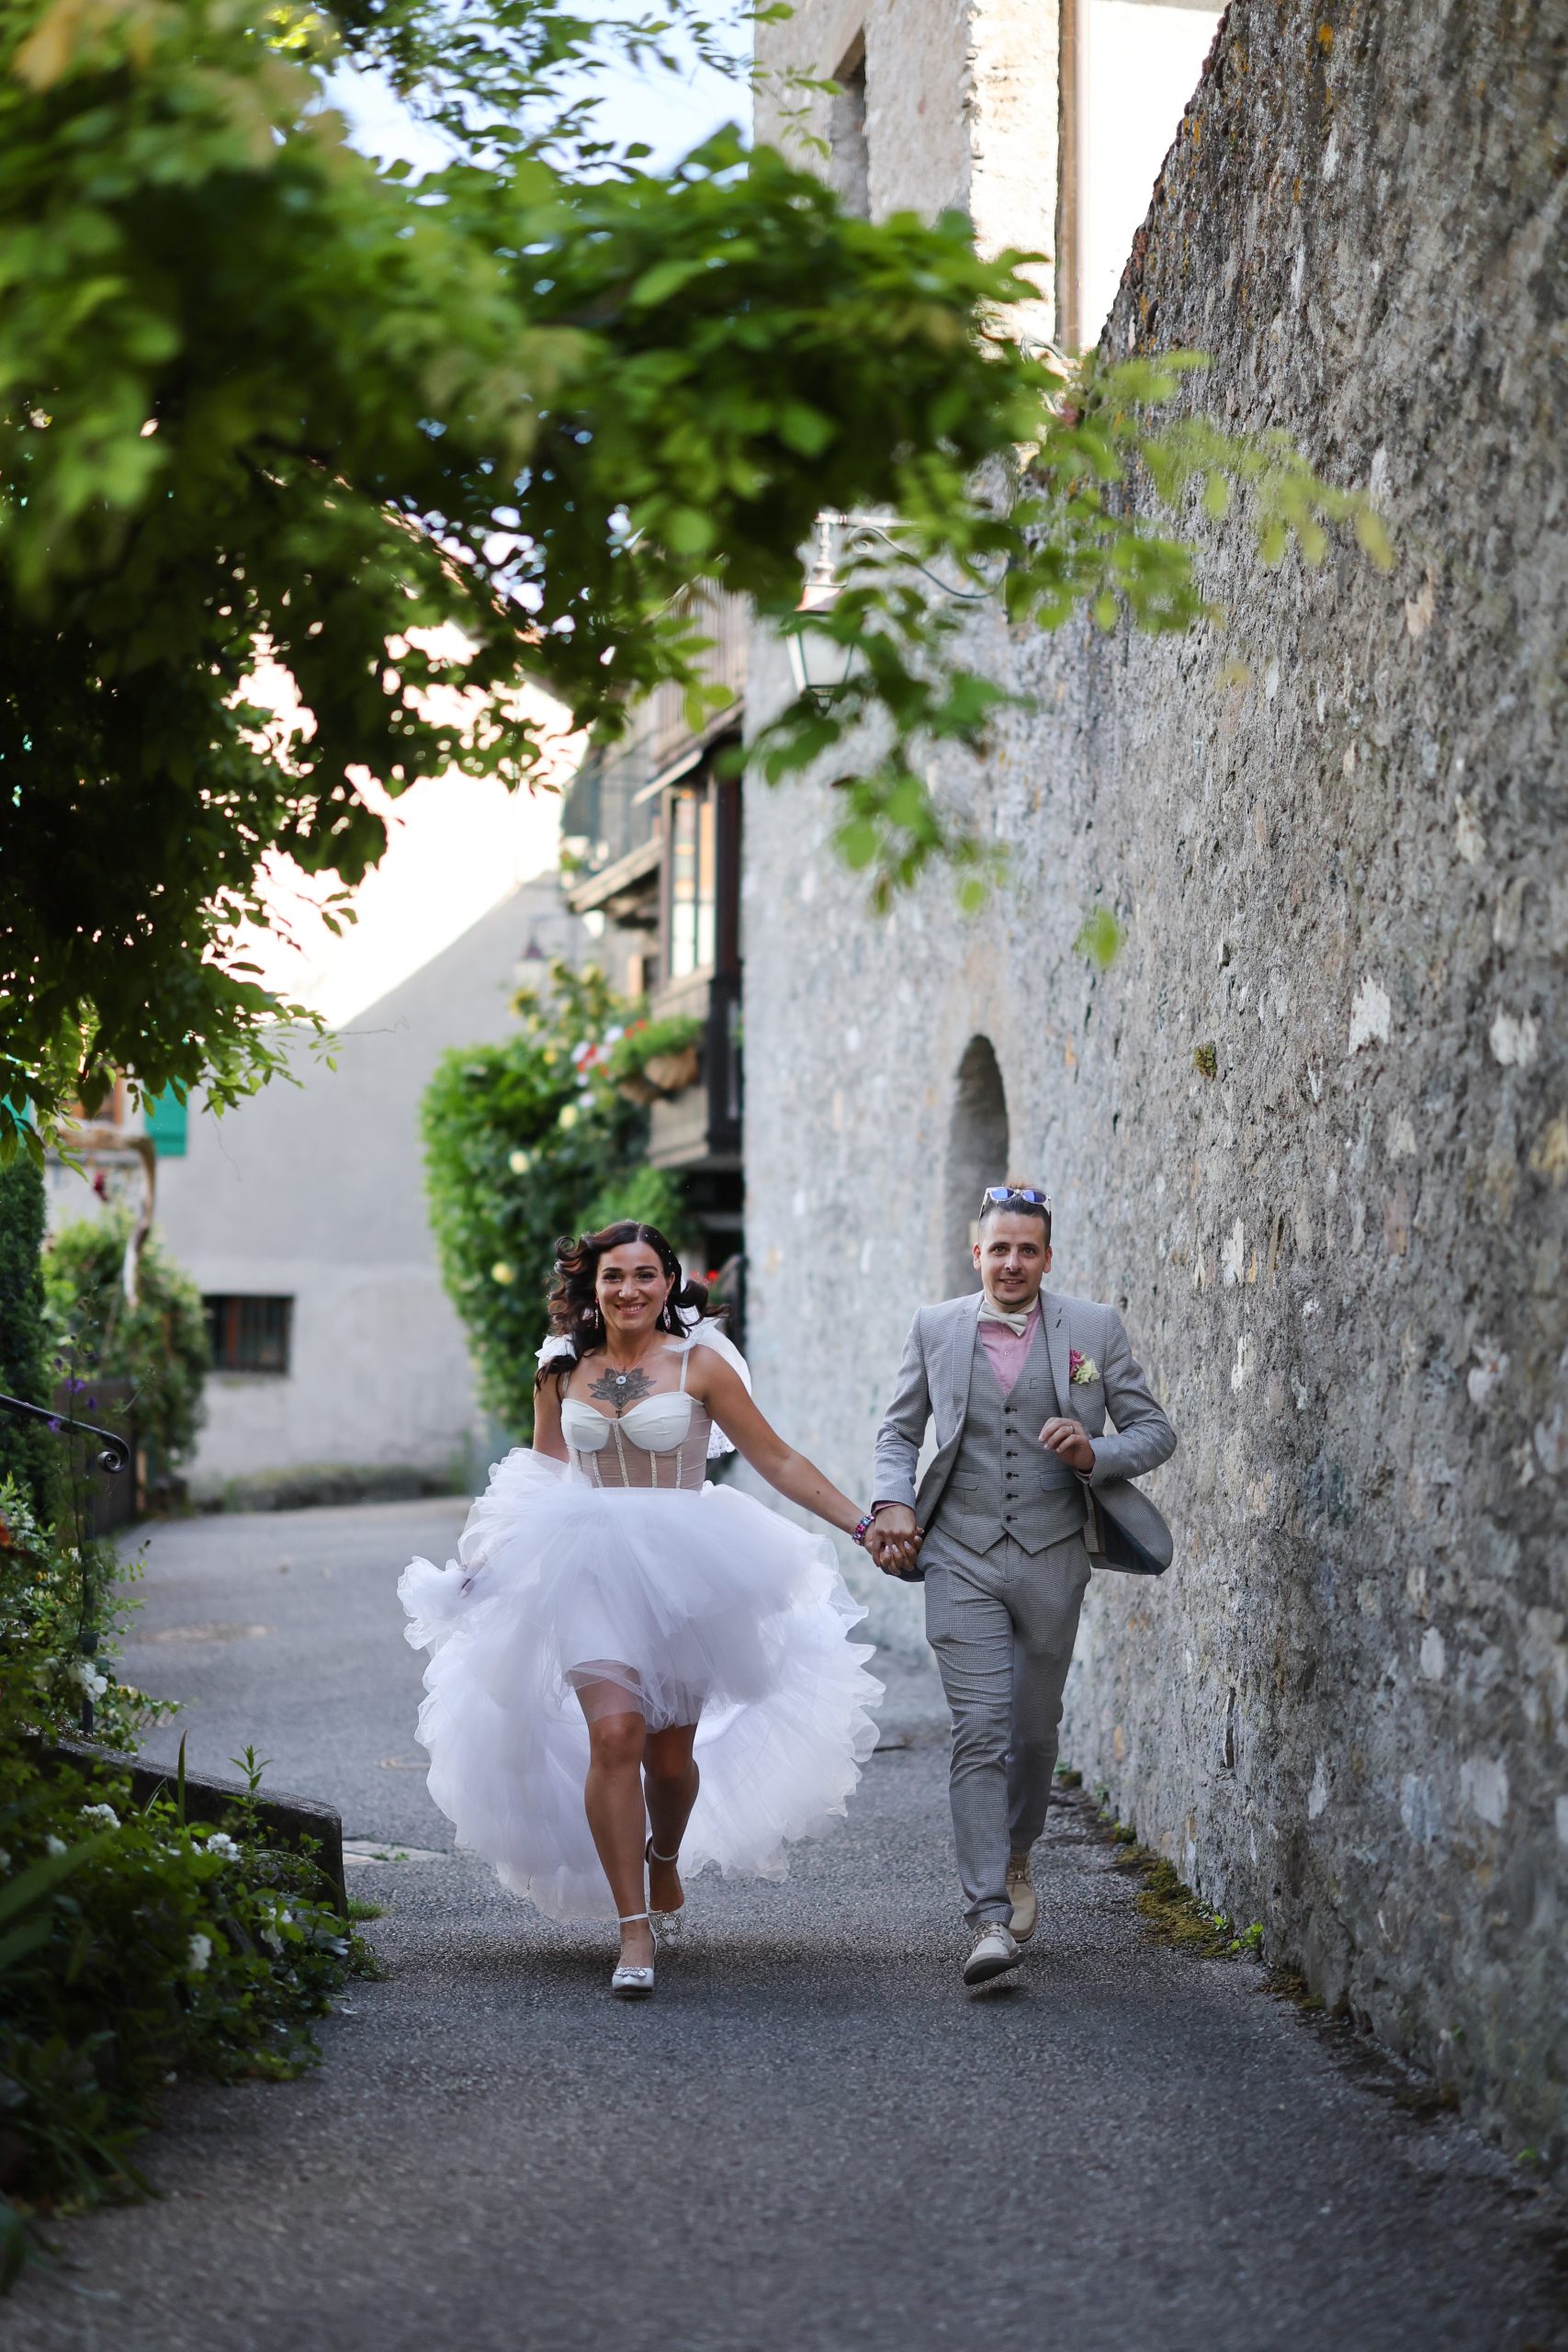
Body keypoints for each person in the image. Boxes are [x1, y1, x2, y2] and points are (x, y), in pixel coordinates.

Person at [400, 1220, 885, 1998]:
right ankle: (633, 1929)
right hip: (583, 1565)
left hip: (686, 1569)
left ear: (669, 1284)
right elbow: (540, 1472)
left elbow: (778, 1459)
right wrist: (482, 1561)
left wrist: (861, 1525)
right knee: (617, 1731)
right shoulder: (560, 1370)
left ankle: (665, 1858)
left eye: (645, 1275)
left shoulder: (701, 1367)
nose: (629, 1290)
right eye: (613, 1276)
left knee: (668, 1757)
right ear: (590, 1287)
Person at [866, 1182, 1176, 1987]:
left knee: (1033, 1734)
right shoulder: (935, 1327)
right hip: (959, 1550)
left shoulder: (1092, 1329)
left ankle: (1017, 1855)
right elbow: (898, 1430)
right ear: (977, 1253)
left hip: (1050, 1552)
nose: (1011, 1263)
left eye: (1026, 1250)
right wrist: (892, 1501)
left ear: (1046, 1256)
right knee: (977, 1730)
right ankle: (986, 1921)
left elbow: (1153, 1432)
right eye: (997, 1248)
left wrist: (1091, 1453)